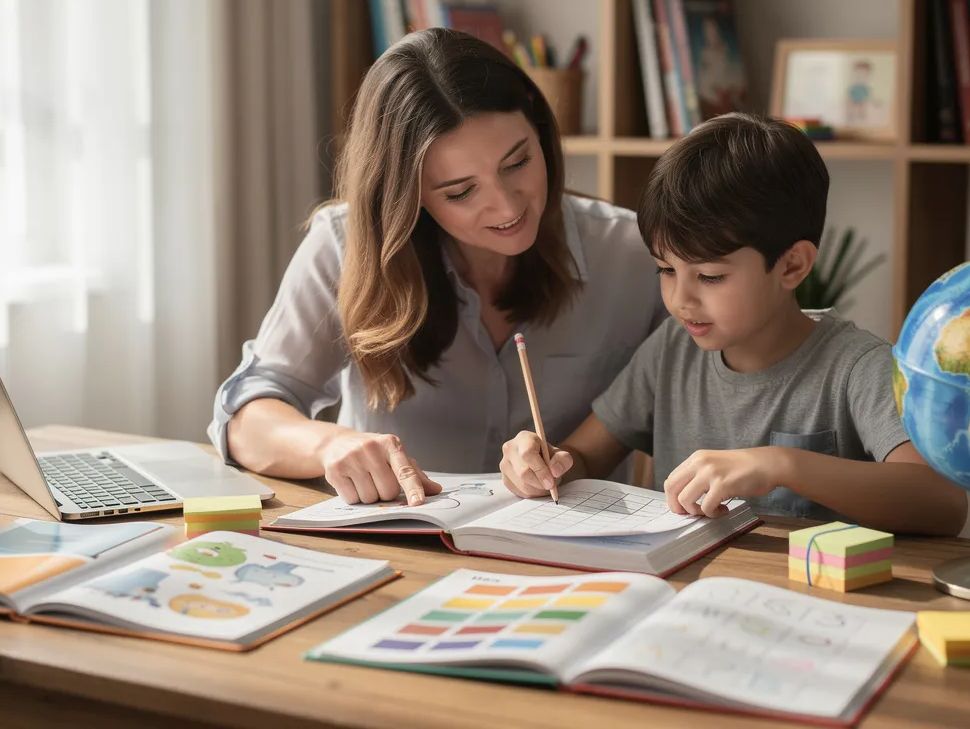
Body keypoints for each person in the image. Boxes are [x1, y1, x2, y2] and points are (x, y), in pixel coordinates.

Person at [208, 28, 666, 508]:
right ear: (409, 194)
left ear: (539, 128)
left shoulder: (632, 253)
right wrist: (329, 444)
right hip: (406, 549)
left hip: (578, 554)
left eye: (517, 162)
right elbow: (245, 418)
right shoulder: (345, 247)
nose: (506, 204)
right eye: (460, 191)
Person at [498, 113, 966, 537]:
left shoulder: (856, 367)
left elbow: (941, 502)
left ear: (792, 266)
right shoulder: (670, 351)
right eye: (665, 270)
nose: (680, 299)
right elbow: (580, 457)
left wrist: (782, 465)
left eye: (710, 276)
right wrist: (542, 463)